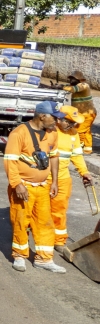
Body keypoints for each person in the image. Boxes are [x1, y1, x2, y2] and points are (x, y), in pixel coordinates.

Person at [3, 101, 64, 273]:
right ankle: (19, 256)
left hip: (43, 187)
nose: (57, 122)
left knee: (45, 222)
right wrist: (17, 185)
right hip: (24, 187)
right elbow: (10, 161)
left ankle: (44, 259)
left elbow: (54, 157)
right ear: (42, 116)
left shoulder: (52, 133)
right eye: (54, 117)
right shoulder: (19, 133)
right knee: (21, 221)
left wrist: (54, 181)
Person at [52, 105, 93, 250]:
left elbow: (76, 155)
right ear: (59, 118)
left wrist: (84, 172)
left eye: (73, 122)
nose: (71, 125)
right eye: (68, 121)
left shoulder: (73, 134)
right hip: (45, 178)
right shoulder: (49, 131)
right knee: (37, 208)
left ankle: (59, 240)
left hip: (63, 178)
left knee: (59, 210)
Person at [62, 71, 96, 154]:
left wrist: (60, 86)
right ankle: (88, 149)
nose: (70, 81)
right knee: (86, 131)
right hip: (87, 113)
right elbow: (70, 87)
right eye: (70, 79)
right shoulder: (77, 86)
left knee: (79, 130)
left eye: (72, 79)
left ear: (79, 80)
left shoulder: (83, 85)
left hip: (87, 113)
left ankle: (78, 148)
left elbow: (72, 89)